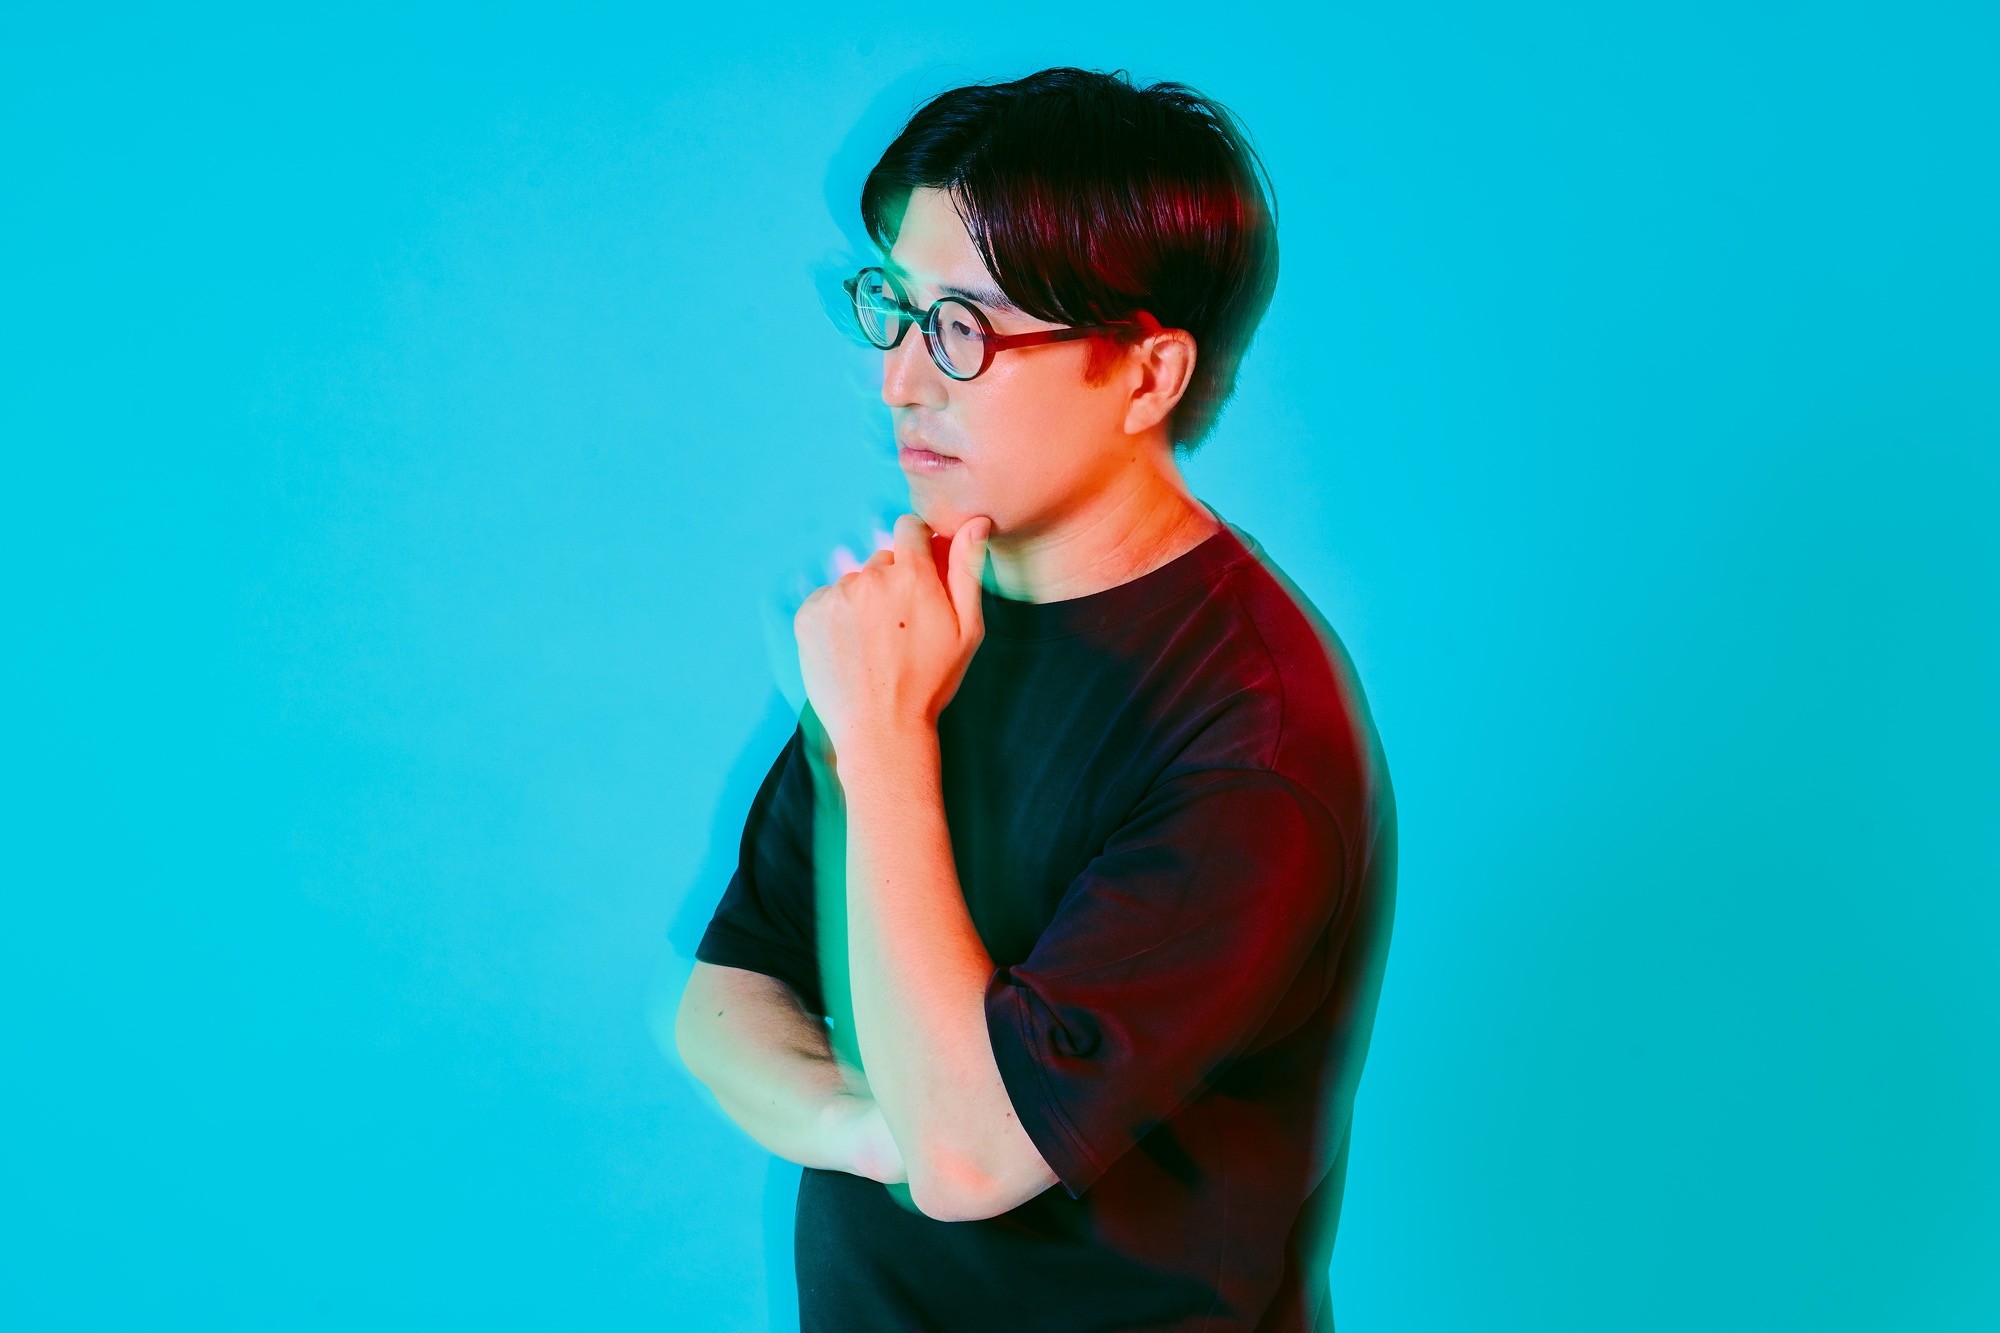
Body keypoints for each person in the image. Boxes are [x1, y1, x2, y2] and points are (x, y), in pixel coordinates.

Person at [676, 66, 1395, 1331]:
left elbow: (970, 1161)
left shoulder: (1251, 736)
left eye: (966, 327)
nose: (902, 380)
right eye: (897, 309)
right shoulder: (935, 615)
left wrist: (882, 740)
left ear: (1146, 374)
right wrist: (866, 1126)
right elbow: (726, 996)